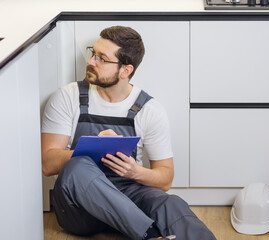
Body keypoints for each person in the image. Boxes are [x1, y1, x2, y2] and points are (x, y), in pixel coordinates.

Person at [41, 25, 216, 240]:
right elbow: (48, 164)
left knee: (170, 203)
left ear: (126, 70)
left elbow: (165, 179)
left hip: (129, 196)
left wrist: (135, 172)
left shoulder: (150, 110)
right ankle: (149, 234)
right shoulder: (68, 97)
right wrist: (89, 148)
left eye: (101, 59)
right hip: (80, 209)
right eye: (92, 53)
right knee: (77, 167)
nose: (90, 62)